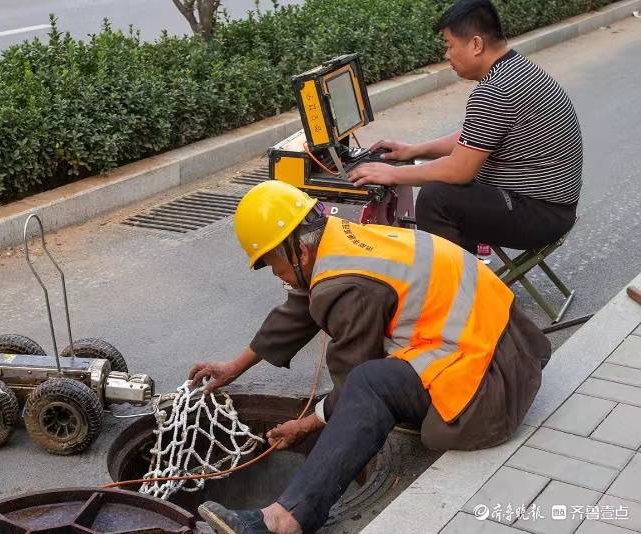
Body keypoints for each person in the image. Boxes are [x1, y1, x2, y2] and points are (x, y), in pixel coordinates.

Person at [189, 180, 551, 534]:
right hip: (511, 348)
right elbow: (301, 306)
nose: (276, 274)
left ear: (298, 251)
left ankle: (284, 520)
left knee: (369, 383)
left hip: (491, 388)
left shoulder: (345, 285)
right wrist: (235, 366)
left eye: (271, 263)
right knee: (374, 379)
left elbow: (352, 383)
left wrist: (308, 422)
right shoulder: (337, 238)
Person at [348, 0, 582, 255]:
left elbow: (459, 170)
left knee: (435, 198)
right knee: (443, 185)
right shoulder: (515, 68)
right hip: (551, 205)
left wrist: (392, 174)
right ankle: (469, 271)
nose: (446, 55)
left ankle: (456, 287)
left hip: (540, 214)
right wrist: (412, 152)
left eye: (449, 45)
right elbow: (475, 138)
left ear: (476, 44)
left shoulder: (495, 91)